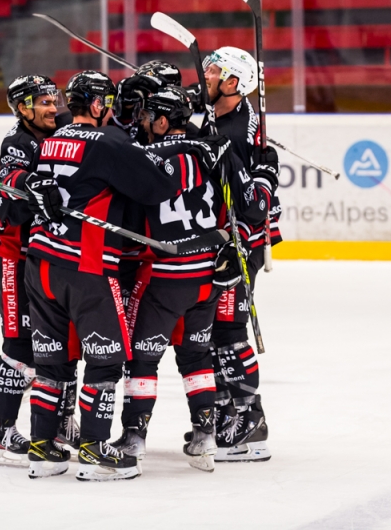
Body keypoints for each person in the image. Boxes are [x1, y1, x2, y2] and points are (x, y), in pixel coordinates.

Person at [20, 70, 229, 481]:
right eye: (109, 103)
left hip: (40, 262)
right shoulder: (110, 143)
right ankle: (95, 450)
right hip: (87, 266)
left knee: (53, 363)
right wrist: (187, 144)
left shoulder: (51, 141)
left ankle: (44, 450)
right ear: (98, 105)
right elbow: (155, 189)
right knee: (105, 361)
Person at [112, 85, 274, 472]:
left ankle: (133, 441)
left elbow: (125, 221)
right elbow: (252, 208)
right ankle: (205, 438)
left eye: (149, 116)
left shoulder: (141, 156)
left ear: (164, 120)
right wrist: (266, 171)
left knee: (142, 358)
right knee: (197, 354)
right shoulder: (216, 149)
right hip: (205, 278)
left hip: (161, 278)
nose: (142, 123)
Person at [0, 75, 79, 467]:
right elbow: (12, 183)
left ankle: (61, 425)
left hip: (51, 259)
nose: (54, 107)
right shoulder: (18, 143)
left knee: (62, 345)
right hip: (15, 260)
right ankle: (0, 432)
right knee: (20, 347)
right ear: (22, 108)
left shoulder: (65, 129)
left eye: (56, 99)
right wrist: (28, 185)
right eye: (44, 102)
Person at [201, 47, 282, 462]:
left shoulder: (239, 130)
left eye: (213, 72)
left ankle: (251, 421)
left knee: (228, 332)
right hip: (219, 239)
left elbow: (254, 203)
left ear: (233, 83)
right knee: (213, 333)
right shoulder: (219, 117)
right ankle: (226, 413)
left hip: (238, 242)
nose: (205, 76)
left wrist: (243, 246)